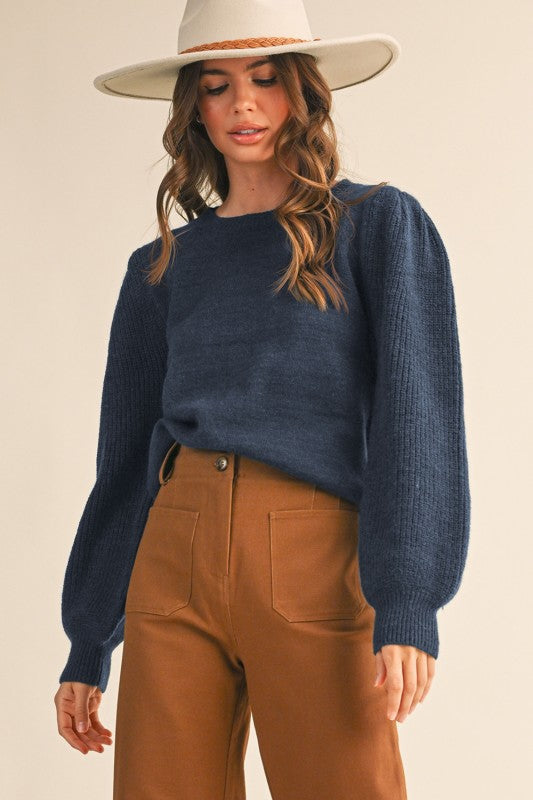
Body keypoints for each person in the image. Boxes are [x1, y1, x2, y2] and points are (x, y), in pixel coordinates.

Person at [54, 1, 471, 798]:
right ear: (195, 109)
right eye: (216, 86)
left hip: (311, 553)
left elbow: (416, 420)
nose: (243, 104)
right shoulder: (162, 265)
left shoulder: (376, 225)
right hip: (174, 551)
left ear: (303, 93)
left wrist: (407, 600)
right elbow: (126, 461)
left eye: (267, 79)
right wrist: (88, 637)